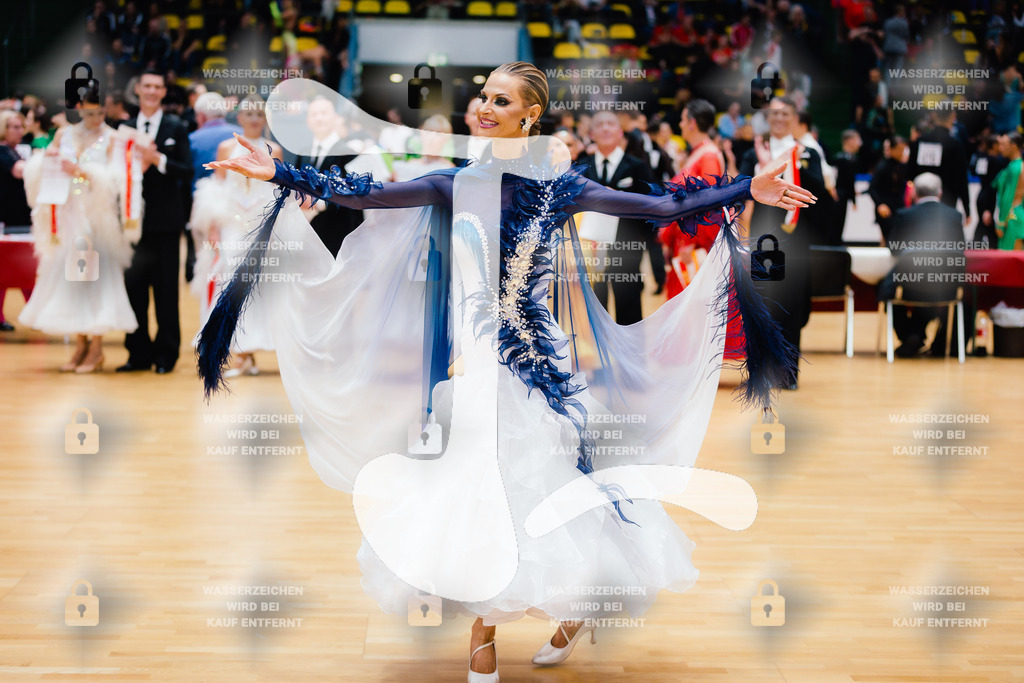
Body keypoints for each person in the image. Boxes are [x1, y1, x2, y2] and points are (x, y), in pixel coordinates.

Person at [202, 62, 812, 683]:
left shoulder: (558, 189)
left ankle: (573, 603)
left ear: (529, 116)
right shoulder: (454, 183)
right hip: (480, 365)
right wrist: (276, 170)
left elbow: (657, 206)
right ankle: (485, 626)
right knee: (477, 483)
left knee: (555, 480)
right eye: (482, 96)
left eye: (501, 100)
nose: (484, 106)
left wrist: (743, 191)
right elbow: (367, 195)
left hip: (541, 362)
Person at [18, 94, 139, 371]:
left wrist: (85, 173)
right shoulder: (63, 134)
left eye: (99, 112)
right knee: (71, 281)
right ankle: (80, 344)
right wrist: (45, 161)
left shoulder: (112, 138)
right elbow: (40, 168)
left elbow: (116, 179)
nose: (94, 118)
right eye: (89, 112)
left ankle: (96, 348)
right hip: (68, 215)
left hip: (95, 220)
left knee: (94, 280)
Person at [738, 96, 831, 389]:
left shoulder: (807, 153)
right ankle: (761, 372)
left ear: (794, 117)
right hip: (763, 241)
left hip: (795, 240)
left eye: (785, 114)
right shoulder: (754, 152)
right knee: (762, 302)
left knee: (791, 303)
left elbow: (818, 195)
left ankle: (788, 373)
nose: (779, 119)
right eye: (774, 114)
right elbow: (739, 188)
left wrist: (794, 169)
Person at [190, 93, 281, 377]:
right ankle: (236, 349)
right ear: (239, 118)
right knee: (228, 282)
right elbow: (214, 189)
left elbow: (277, 190)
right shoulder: (226, 147)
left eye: (259, 114)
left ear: (265, 119)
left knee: (254, 286)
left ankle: (247, 352)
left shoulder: (273, 149)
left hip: (258, 226)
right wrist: (213, 226)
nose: (254, 119)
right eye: (248, 114)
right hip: (231, 224)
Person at [118, 68, 193, 374]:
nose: (151, 91)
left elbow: (187, 170)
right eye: (146, 85)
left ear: (163, 92)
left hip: (165, 223)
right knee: (133, 290)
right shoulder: (123, 128)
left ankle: (165, 355)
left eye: (157, 86)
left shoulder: (177, 126)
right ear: (138, 90)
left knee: (165, 292)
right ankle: (137, 354)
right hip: (131, 224)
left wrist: (156, 160)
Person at [578, 111, 660, 324]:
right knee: (594, 303)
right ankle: (598, 352)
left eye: (610, 124)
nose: (605, 128)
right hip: (589, 248)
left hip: (626, 247)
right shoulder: (581, 167)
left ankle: (630, 354)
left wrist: (641, 241)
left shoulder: (637, 166)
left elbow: (651, 204)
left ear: (620, 132)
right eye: (599, 125)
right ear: (592, 133)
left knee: (629, 303)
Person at [877, 173, 966, 357]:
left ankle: (911, 335)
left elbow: (893, 249)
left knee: (885, 288)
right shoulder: (954, 216)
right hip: (945, 285)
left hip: (910, 284)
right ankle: (917, 335)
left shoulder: (904, 215)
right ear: (940, 192)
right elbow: (960, 249)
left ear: (914, 193)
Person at [659, 98, 725, 299]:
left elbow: (708, 202)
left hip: (694, 243)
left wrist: (692, 240)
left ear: (692, 122)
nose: (680, 125)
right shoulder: (700, 153)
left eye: (682, 120)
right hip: (686, 238)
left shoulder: (708, 155)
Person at [293, 97, 362, 258]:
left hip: (337, 232)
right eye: (314, 114)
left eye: (324, 113)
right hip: (305, 233)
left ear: (336, 118)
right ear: (308, 121)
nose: (319, 118)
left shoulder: (349, 153)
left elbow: (352, 194)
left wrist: (317, 203)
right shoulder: (302, 152)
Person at [907, 108, 971, 227]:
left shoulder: (920, 142)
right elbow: (962, 179)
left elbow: (909, 173)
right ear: (953, 116)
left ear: (935, 115)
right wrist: (967, 209)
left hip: (920, 202)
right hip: (947, 205)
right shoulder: (955, 145)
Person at [0, 110, 32, 331]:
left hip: (17, 218)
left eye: (21, 126)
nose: (20, 131)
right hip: (9, 220)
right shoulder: (3, 152)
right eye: (15, 126)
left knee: (22, 271)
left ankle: (33, 312)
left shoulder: (13, 151)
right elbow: (20, 172)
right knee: (12, 271)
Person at [868, 135, 909, 242]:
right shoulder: (882, 166)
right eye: (899, 149)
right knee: (890, 239)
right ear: (891, 149)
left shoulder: (903, 166)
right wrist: (880, 204)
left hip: (899, 208)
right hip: (885, 209)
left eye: (904, 149)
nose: (902, 152)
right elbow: (872, 189)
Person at [993, 134, 1024, 249]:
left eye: (1003, 145)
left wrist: (1001, 223)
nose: (1000, 148)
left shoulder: (1014, 168)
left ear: (1014, 146)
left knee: (1009, 261)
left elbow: (1008, 197)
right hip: (1017, 216)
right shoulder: (1017, 165)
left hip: (1011, 218)